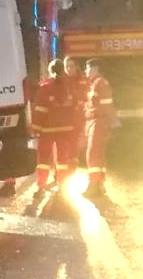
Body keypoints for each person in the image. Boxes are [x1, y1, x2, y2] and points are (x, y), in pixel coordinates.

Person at [30, 59, 80, 202]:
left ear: (51, 71)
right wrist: (74, 128)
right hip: (66, 130)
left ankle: (41, 187)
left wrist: (36, 129)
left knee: (43, 160)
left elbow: (40, 111)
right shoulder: (70, 86)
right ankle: (62, 186)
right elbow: (76, 108)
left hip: (47, 130)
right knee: (62, 160)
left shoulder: (45, 87)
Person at [84, 58, 116, 196]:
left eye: (87, 68)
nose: (86, 71)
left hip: (98, 122)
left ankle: (94, 185)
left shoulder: (100, 84)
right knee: (98, 154)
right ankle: (99, 184)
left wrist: (110, 122)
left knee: (93, 154)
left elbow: (106, 105)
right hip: (96, 122)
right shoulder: (95, 84)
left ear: (95, 69)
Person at [64, 56, 88, 163]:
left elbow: (88, 95)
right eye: (67, 66)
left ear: (76, 67)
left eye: (72, 66)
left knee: (82, 141)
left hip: (81, 117)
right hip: (67, 118)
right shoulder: (61, 81)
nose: (69, 69)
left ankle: (77, 160)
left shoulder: (83, 80)